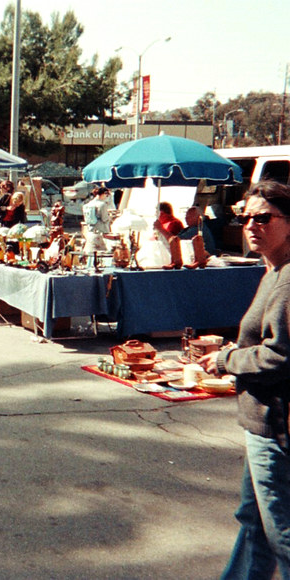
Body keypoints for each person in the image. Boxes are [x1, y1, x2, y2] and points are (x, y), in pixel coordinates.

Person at [199, 181, 290, 579]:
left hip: (276, 425)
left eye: (264, 218)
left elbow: (280, 356)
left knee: (280, 533)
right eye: (246, 217)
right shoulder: (272, 271)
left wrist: (227, 359)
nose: (252, 225)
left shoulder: (287, 280)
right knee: (254, 523)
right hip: (261, 422)